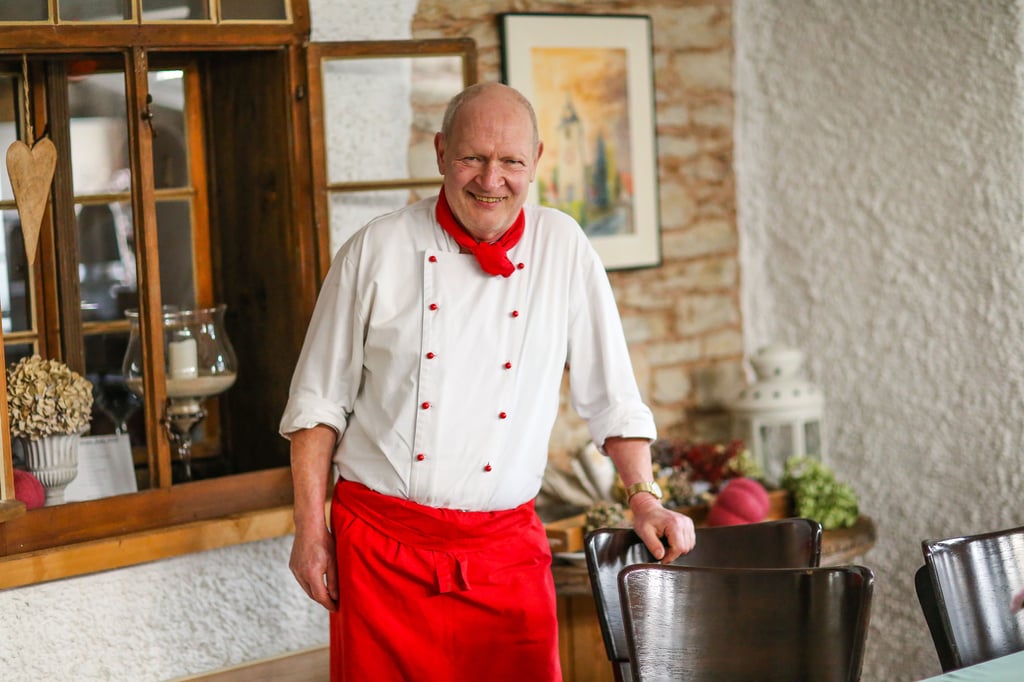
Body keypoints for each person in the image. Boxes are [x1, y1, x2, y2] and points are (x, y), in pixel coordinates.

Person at [280, 82, 696, 682]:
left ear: (537, 162)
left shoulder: (565, 248)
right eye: (473, 157)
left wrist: (644, 497)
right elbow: (318, 406)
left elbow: (613, 400)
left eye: (511, 162)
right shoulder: (377, 248)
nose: (490, 179)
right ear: (440, 152)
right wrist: (308, 530)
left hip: (506, 557)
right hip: (380, 550)